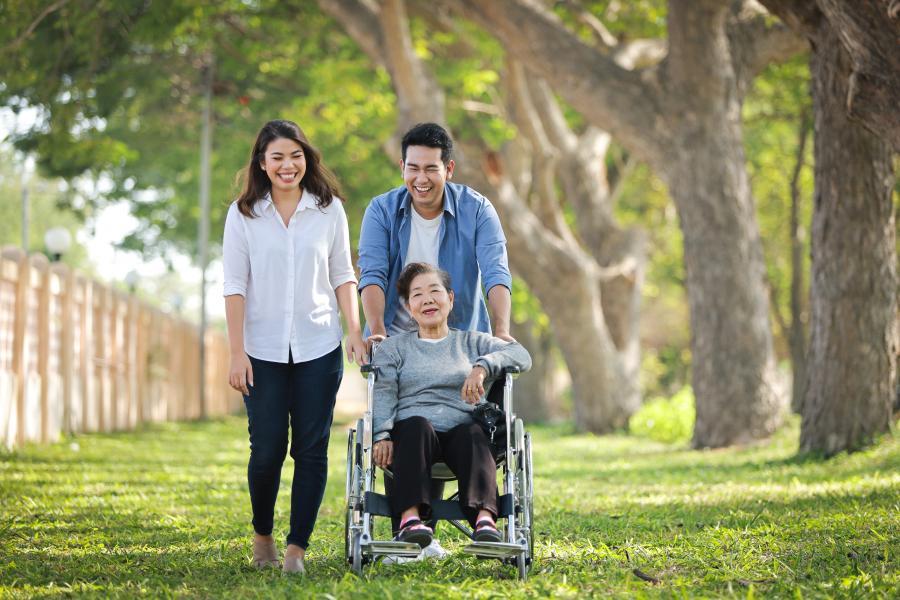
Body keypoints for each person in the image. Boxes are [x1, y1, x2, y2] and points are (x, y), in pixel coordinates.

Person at [357, 122, 514, 557]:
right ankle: (412, 522)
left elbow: (496, 270)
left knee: (463, 427)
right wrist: (376, 330)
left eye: (430, 168)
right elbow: (371, 272)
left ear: (449, 168)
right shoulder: (383, 210)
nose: (420, 179)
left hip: (458, 336)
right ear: (402, 167)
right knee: (413, 424)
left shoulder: (477, 209)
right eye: (411, 168)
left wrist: (498, 333)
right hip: (399, 335)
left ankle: (471, 520)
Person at [222, 119, 368, 575]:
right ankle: (262, 533)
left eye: (296, 155)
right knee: (266, 449)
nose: (288, 165)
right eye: (278, 157)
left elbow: (344, 273)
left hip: (318, 346)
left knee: (310, 449)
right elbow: (234, 285)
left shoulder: (329, 211)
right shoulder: (243, 214)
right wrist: (236, 351)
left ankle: (296, 550)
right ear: (262, 164)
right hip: (261, 349)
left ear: (308, 158)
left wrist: (354, 329)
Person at [371, 262, 532, 548]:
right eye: (417, 295)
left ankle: (485, 521)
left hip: (463, 433)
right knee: (416, 426)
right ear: (409, 307)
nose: (428, 300)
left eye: (435, 291)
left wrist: (482, 367)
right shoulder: (394, 348)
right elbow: (383, 392)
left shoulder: (473, 342)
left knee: (473, 433)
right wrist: (381, 435)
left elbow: (521, 355)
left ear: (450, 298)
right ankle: (410, 520)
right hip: (414, 438)